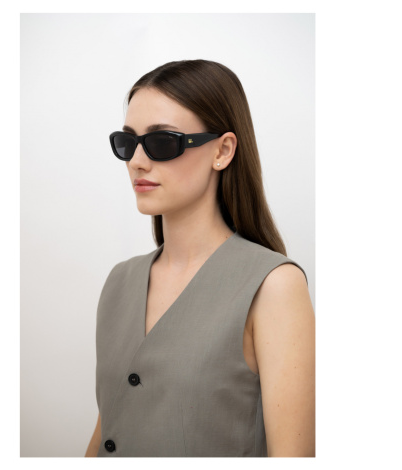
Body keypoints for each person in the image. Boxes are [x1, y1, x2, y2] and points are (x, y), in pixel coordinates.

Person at [85, 59, 315, 457]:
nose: (136, 161)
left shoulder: (273, 287)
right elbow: (111, 427)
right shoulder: (120, 282)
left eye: (162, 142)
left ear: (222, 151)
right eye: (127, 142)